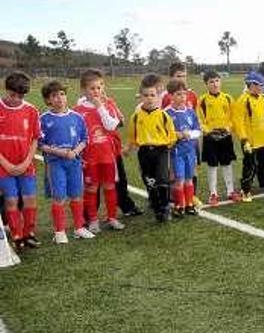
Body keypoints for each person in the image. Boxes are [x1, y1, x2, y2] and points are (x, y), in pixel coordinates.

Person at [38, 80, 93, 244]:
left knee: (76, 195)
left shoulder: (77, 117)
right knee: (59, 196)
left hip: (74, 161)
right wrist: (59, 151)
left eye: (62, 94)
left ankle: (79, 228)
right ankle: (59, 231)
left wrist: (75, 151)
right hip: (56, 163)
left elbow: (85, 139)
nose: (59, 98)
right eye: (54, 95)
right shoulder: (44, 119)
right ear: (48, 100)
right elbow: (40, 144)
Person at [73, 69, 125, 233]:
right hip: (90, 157)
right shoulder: (78, 110)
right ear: (84, 90)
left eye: (99, 87)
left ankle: (112, 218)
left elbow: (111, 126)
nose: (96, 91)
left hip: (107, 155)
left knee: (109, 186)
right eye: (92, 88)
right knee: (91, 188)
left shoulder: (108, 104)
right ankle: (93, 220)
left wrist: (100, 107)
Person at [127, 76, 176, 223]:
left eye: (152, 95)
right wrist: (128, 148)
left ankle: (165, 207)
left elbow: (172, 135)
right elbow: (132, 136)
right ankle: (156, 206)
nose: (149, 98)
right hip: (144, 152)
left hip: (161, 150)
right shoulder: (136, 117)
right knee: (150, 181)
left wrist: (165, 146)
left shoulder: (163, 116)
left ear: (158, 96)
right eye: (146, 95)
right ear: (141, 96)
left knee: (162, 179)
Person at [0, 72, 41, 250]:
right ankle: (17, 235)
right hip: (3, 167)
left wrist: (26, 162)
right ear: (6, 90)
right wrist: (6, 164)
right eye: (12, 95)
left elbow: (35, 139)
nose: (16, 99)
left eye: (20, 96)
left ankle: (29, 233)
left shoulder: (32, 111)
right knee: (11, 200)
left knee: (30, 198)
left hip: (26, 165)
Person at [233, 71, 264, 201]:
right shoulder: (243, 100)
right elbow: (239, 122)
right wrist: (244, 140)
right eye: (258, 85)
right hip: (251, 141)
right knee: (250, 165)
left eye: (262, 85)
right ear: (250, 85)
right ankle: (245, 190)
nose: (261, 87)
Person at [197, 70, 240, 206]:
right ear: (206, 84)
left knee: (227, 164)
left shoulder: (227, 98)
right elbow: (199, 119)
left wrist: (228, 128)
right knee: (212, 165)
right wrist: (207, 131)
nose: (214, 84)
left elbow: (234, 117)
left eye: (217, 81)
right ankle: (213, 194)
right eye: (211, 82)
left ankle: (230, 191)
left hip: (225, 137)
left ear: (220, 82)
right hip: (210, 138)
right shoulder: (202, 100)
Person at [166, 79, 202, 217]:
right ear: (170, 96)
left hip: (190, 151)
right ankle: (179, 205)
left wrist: (189, 134)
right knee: (179, 179)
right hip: (176, 152)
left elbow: (198, 130)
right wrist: (177, 135)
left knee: (189, 178)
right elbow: (165, 134)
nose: (182, 97)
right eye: (178, 94)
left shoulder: (190, 112)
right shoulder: (167, 113)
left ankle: (189, 204)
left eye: (184, 94)